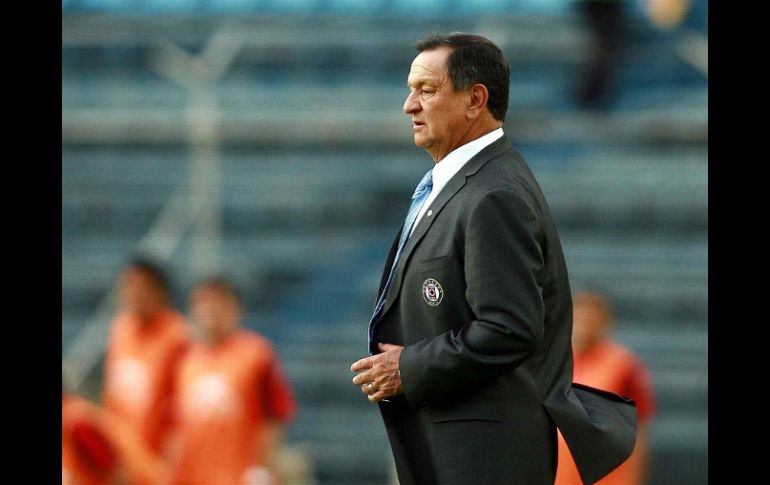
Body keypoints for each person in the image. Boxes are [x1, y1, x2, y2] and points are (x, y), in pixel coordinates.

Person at [350, 33, 637, 485]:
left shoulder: (494, 193)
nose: (409, 105)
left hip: (483, 454)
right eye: (410, 89)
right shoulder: (463, 184)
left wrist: (408, 367)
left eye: (426, 90)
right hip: (456, 443)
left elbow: (509, 328)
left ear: (474, 99)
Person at [168, 277, 296, 485]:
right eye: (202, 302)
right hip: (192, 475)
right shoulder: (183, 359)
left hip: (239, 475)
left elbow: (275, 415)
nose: (210, 310)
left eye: (218, 302)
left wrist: (263, 466)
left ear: (235, 307)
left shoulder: (256, 353)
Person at [102, 256, 191, 484]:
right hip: (120, 459)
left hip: (158, 463)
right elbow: (112, 395)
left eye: (140, 286)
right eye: (128, 285)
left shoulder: (178, 336)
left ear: (160, 292)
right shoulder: (121, 328)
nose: (132, 293)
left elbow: (184, 405)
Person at [556, 291, 656, 485]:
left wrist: (633, 477)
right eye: (581, 318)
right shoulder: (560, 361)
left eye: (592, 319)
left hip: (608, 476)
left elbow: (640, 427)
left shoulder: (623, 364)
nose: (585, 325)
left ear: (606, 322)